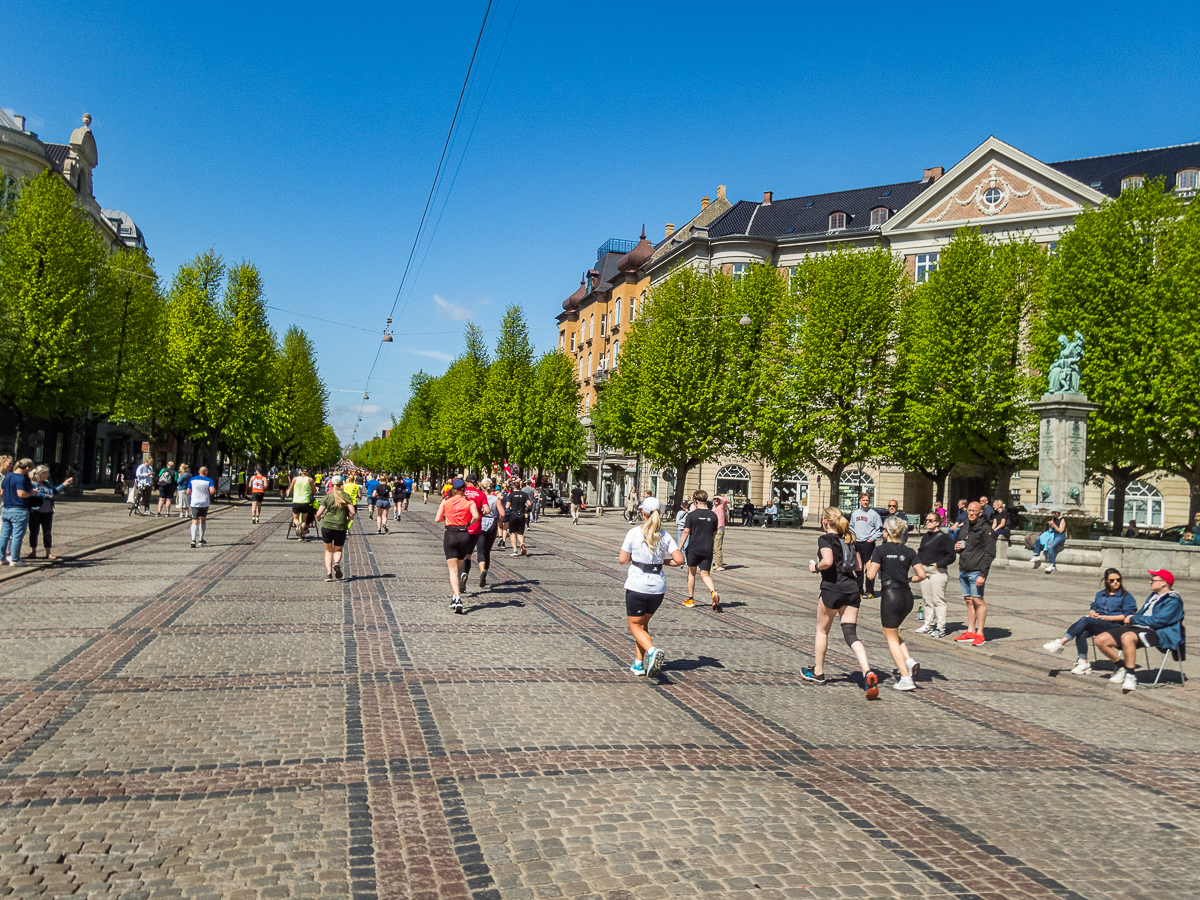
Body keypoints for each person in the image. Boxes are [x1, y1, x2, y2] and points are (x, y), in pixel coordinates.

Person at [801, 507, 878, 699]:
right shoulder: (849, 538)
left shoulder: (825, 539)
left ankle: (818, 672)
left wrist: (814, 567)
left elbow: (827, 561)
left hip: (832, 589)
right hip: (852, 590)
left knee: (822, 631)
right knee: (851, 634)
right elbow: (859, 566)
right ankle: (867, 671)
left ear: (825, 521)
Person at [620, 496, 685, 678]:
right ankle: (638, 663)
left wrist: (635, 559)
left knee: (635, 626)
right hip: (657, 587)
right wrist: (662, 561)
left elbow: (622, 559)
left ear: (643, 512)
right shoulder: (664, 535)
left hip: (637, 585)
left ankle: (652, 650)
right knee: (643, 624)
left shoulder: (634, 532)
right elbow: (680, 560)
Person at [1095, 569, 1185, 692]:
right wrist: (1135, 619)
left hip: (1159, 632)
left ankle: (1131, 676)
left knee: (1127, 637)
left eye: (1153, 580)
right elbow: (1142, 614)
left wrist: (1134, 618)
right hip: (1139, 627)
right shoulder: (1154, 596)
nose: (1150, 582)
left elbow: (1158, 621)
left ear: (1164, 583)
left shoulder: (1173, 601)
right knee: (1101, 639)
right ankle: (1122, 667)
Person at [864, 516, 927, 691]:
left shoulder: (881, 550)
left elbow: (870, 575)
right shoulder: (909, 551)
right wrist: (908, 579)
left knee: (891, 637)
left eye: (883, 530)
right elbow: (922, 575)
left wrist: (869, 564)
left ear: (888, 532)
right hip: (907, 595)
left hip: (890, 595)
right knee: (890, 631)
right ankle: (908, 660)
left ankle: (906, 678)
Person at [1042, 568, 1138, 674]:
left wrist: (1108, 618)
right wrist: (1092, 612)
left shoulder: (1126, 596)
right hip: (1101, 623)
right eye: (1112, 580)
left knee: (1084, 620)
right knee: (1082, 631)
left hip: (1116, 626)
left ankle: (1061, 642)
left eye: (1118, 580)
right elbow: (1094, 605)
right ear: (1106, 581)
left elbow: (1127, 616)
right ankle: (1083, 661)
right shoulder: (1100, 594)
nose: (1116, 582)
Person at [435, 478, 480, 613]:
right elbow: (476, 516)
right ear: (463, 489)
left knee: (452, 570)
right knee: (459, 567)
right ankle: (455, 596)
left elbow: (437, 519)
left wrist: (446, 518)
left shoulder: (446, 501)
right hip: (464, 534)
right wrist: (468, 523)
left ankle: (458, 598)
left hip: (451, 534)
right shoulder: (469, 502)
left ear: (452, 489)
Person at [953, 502, 995, 645]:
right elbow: (963, 544)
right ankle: (970, 631)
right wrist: (958, 547)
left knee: (978, 600)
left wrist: (983, 574)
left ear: (980, 512)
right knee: (969, 601)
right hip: (964, 569)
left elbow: (990, 553)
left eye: (974, 511)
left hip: (976, 571)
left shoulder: (985, 528)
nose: (971, 513)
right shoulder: (965, 527)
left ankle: (980, 633)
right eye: (969, 511)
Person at [915, 511, 956, 638]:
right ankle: (928, 624)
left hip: (937, 572)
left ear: (938, 522)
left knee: (938, 600)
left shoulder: (945, 538)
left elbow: (951, 556)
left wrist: (939, 564)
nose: (927, 522)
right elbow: (921, 551)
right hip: (924, 571)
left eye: (931, 520)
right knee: (927, 599)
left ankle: (941, 626)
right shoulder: (925, 536)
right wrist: (919, 563)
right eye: (926, 520)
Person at [680, 490, 721, 610]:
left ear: (696, 501)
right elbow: (714, 532)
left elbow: (686, 531)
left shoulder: (691, 515)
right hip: (707, 548)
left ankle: (691, 599)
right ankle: (713, 592)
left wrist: (679, 547)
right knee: (705, 574)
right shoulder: (713, 515)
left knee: (691, 573)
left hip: (694, 548)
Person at [27, 465, 73, 561]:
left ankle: (48, 553)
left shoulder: (47, 483)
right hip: (35, 511)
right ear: (41, 474)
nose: (48, 475)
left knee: (47, 533)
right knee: (34, 532)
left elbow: (54, 491)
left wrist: (64, 484)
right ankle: (33, 551)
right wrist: (46, 496)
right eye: (47, 473)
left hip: (48, 512)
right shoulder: (33, 484)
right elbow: (33, 493)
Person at [316, 474, 354, 582]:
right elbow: (353, 511)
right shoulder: (345, 496)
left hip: (327, 525)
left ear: (332, 484)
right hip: (340, 526)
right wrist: (349, 520)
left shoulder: (327, 497)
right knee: (338, 549)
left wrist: (319, 518)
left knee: (328, 551)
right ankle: (336, 563)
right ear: (342, 484)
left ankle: (329, 574)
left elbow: (319, 512)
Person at [0, 459, 36, 566]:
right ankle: (15, 560)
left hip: (6, 509)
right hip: (19, 509)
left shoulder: (7, 476)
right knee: (17, 535)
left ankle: (1, 558)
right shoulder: (20, 478)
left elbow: (2, 492)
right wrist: (32, 493)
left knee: (4, 535)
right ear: (27, 468)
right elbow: (21, 494)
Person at [458, 474, 490, 593]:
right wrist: (480, 514)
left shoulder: (461, 492)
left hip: (462, 526)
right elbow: (487, 510)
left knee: (461, 556)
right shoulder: (481, 494)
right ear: (476, 482)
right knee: (469, 555)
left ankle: (462, 576)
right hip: (475, 527)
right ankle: (467, 573)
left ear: (466, 482)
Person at [850, 493, 883, 598]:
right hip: (857, 543)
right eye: (863, 500)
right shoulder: (855, 513)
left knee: (869, 568)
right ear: (859, 501)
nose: (865, 502)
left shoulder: (874, 514)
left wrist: (871, 539)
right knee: (858, 568)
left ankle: (869, 591)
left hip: (868, 544)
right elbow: (851, 527)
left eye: (867, 500)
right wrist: (853, 537)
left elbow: (880, 530)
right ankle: (859, 590)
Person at [474, 477, 501, 588]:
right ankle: (486, 571)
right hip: (492, 525)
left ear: (481, 486)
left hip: (481, 523)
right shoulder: (496, 499)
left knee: (480, 551)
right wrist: (498, 519)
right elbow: (502, 513)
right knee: (487, 551)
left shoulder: (480, 497)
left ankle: (482, 571)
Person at [187, 466, 216, 547]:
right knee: (202, 519)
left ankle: (193, 540)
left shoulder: (192, 479)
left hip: (194, 502)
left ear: (199, 472)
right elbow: (212, 491)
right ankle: (200, 539)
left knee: (194, 520)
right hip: (204, 502)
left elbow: (188, 491)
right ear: (206, 472)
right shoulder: (209, 480)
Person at [503, 481, 531, 557]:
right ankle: (522, 544)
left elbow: (507, 506)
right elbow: (529, 504)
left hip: (513, 514)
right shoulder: (524, 494)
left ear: (513, 487)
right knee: (520, 533)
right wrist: (525, 507)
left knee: (512, 533)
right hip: (521, 514)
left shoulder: (511, 495)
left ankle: (515, 550)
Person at [288, 468, 315, 540]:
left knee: (295, 519)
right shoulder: (310, 480)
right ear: (308, 473)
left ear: (300, 472)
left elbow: (290, 489)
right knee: (304, 521)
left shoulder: (295, 479)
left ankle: (298, 524)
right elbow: (314, 491)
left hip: (296, 501)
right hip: (305, 502)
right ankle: (300, 534)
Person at [711, 494, 728, 571]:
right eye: (714, 499)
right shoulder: (713, 508)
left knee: (718, 547)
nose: (716, 500)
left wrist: (719, 497)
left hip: (719, 528)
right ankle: (716, 563)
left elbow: (725, 500)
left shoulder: (722, 507)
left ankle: (720, 565)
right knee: (714, 547)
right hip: (713, 529)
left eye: (717, 499)